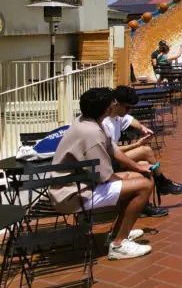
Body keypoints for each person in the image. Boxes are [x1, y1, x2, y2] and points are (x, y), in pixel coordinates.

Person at [49, 88, 154, 260]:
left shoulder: (90, 121)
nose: (116, 104)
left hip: (83, 183)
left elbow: (113, 150)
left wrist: (137, 168)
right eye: (113, 103)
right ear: (107, 109)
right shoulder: (91, 133)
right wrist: (126, 177)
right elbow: (104, 175)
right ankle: (119, 245)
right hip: (73, 194)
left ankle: (118, 233)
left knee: (140, 177)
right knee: (144, 185)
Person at [106, 86, 182, 203]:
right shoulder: (105, 122)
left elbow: (130, 120)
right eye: (127, 107)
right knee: (145, 150)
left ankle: (144, 204)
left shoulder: (117, 115)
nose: (129, 111)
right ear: (116, 104)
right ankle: (162, 183)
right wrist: (137, 144)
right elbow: (112, 150)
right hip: (108, 162)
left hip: (114, 158)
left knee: (145, 164)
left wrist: (143, 128)